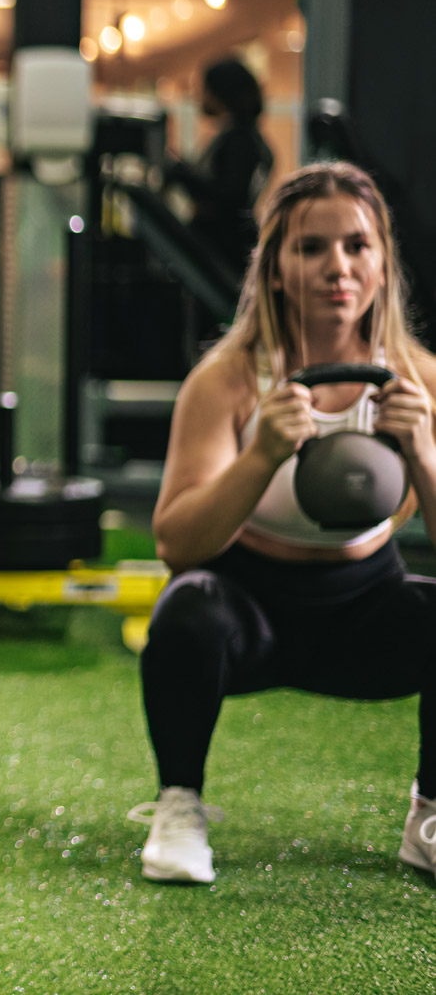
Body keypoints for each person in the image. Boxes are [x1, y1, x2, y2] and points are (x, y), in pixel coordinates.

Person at [139, 161, 436, 884]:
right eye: (311, 248)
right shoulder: (231, 379)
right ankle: (179, 805)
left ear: (382, 262)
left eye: (357, 246)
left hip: (364, 612)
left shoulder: (419, 377)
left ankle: (429, 816)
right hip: (249, 618)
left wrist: (423, 453)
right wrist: (261, 456)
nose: (338, 267)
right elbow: (177, 543)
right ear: (274, 268)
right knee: (186, 611)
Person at [179, 56, 274, 272]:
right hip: (231, 244)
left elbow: (231, 195)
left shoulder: (239, 139)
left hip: (223, 248)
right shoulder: (243, 136)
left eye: (204, 89)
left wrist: (183, 175)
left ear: (219, 92)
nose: (199, 96)